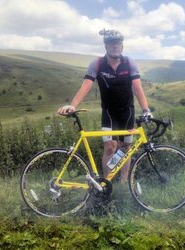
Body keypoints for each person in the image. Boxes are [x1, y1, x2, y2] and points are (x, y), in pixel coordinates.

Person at [58, 29, 152, 183]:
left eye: (118, 43)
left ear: (122, 46)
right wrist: (73, 105)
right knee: (109, 147)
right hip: (109, 113)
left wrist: (146, 110)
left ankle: (123, 183)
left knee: (125, 148)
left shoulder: (129, 63)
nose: (115, 46)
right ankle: (106, 183)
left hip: (127, 112)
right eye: (111, 44)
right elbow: (86, 86)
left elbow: (137, 88)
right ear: (106, 46)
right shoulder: (98, 64)